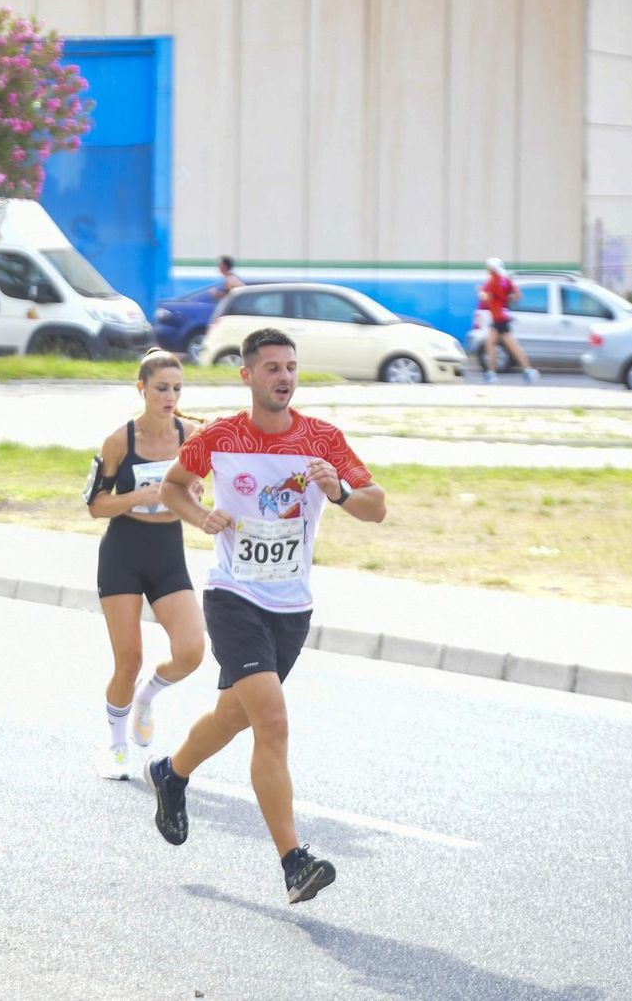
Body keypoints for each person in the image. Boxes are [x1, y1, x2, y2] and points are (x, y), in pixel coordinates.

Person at [145, 327, 386, 905]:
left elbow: (377, 506)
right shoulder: (220, 437)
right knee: (272, 722)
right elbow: (175, 486)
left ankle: (171, 774)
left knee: (234, 716)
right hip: (232, 598)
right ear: (247, 375)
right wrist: (199, 515)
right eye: (272, 367)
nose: (284, 377)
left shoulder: (322, 439)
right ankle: (294, 861)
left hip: (291, 608)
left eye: (291, 367)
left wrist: (342, 494)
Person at [86, 348, 207, 779]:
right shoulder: (119, 441)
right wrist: (136, 497)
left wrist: (195, 499)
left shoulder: (193, 435)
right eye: (160, 389)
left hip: (167, 552)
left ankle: (146, 698)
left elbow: (201, 489)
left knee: (192, 651)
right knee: (128, 659)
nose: (169, 396)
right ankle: (116, 746)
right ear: (142, 389)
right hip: (123, 553)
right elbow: (96, 506)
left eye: (176, 388)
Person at [478, 257, 538, 384]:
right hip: (502, 316)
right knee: (494, 344)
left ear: (491, 269)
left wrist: (480, 293)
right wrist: (504, 299)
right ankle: (493, 373)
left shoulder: (492, 280)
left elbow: (484, 297)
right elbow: (518, 295)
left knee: (506, 345)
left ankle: (527, 371)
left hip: (498, 317)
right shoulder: (505, 280)